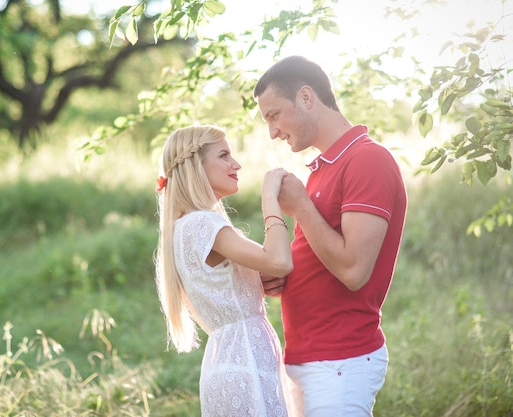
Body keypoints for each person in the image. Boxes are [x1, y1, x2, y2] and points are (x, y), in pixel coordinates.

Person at [253, 55, 408, 417]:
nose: (272, 131)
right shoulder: (324, 169)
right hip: (309, 358)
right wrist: (282, 277)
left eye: (274, 115)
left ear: (306, 97)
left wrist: (301, 208)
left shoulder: (367, 160)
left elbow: (354, 271)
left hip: (340, 361)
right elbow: (324, 256)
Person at [154, 124, 293, 416]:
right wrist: (270, 199)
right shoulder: (204, 224)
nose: (236, 164)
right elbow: (278, 260)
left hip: (226, 363)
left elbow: (260, 272)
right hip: (246, 363)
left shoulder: (182, 227)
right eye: (224, 155)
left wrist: (259, 279)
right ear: (197, 167)